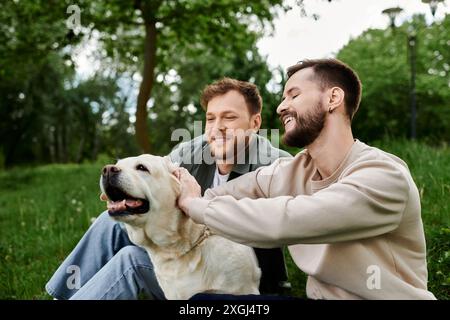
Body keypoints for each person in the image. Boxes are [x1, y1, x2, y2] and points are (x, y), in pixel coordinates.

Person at [177, 59, 437, 300]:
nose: (281, 107)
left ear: (333, 98)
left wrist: (195, 206)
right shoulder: (296, 169)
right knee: (205, 302)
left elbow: (283, 220)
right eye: (282, 98)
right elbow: (230, 191)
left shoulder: (383, 176)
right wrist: (191, 198)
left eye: (294, 95)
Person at [45, 78, 292, 300]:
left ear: (255, 122)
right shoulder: (192, 152)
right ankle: (63, 294)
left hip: (237, 283)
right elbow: (155, 174)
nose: (217, 127)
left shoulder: (277, 165)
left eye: (229, 118)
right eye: (210, 118)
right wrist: (125, 188)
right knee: (110, 222)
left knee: (130, 260)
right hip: (183, 267)